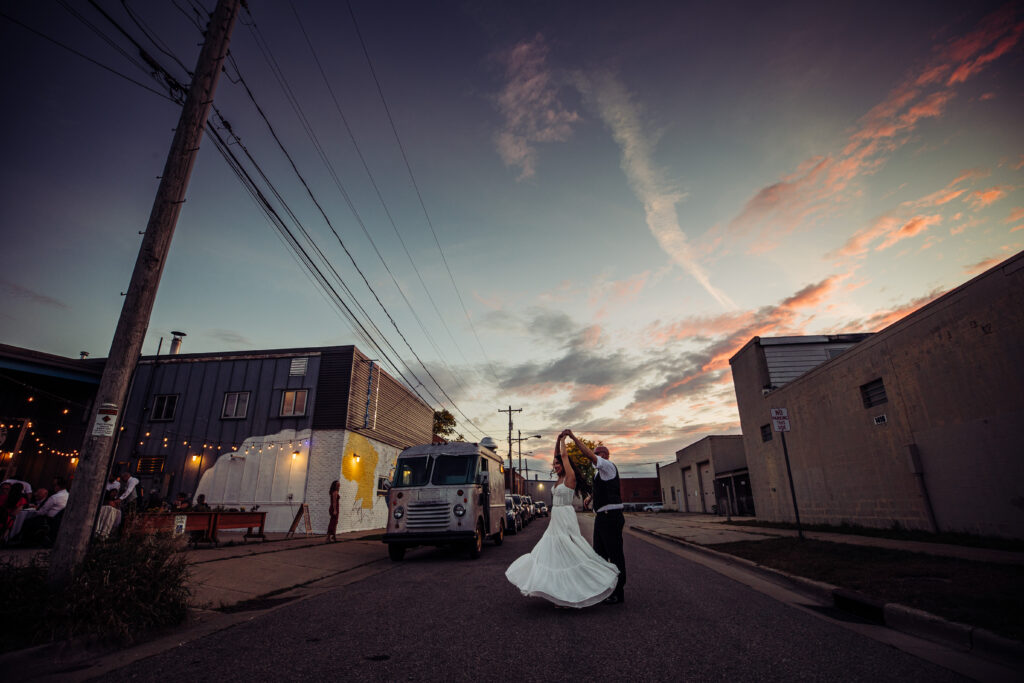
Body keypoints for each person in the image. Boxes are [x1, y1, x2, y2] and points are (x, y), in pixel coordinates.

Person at [505, 433, 618, 608]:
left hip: (565, 516)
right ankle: (559, 592)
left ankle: (580, 589)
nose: (556, 466)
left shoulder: (569, 477)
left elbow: (564, 456)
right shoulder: (558, 479)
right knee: (554, 554)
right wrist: (557, 441)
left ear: (565, 465)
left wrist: (565, 439)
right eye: (554, 464)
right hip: (555, 518)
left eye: (558, 464)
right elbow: (558, 455)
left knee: (569, 552)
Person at [565, 429, 626, 604]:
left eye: (597, 453)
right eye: (596, 453)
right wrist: (591, 497)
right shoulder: (600, 473)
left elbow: (590, 455)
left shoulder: (607, 465)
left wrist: (574, 438)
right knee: (598, 554)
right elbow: (601, 488)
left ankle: (618, 591)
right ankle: (603, 588)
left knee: (615, 554)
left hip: (611, 516)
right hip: (601, 517)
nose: (594, 456)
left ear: (605, 455)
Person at [19, 477, 68, 546]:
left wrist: (34, 510)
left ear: (58, 486)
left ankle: (23, 542)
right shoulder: (68, 496)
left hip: (48, 521)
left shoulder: (55, 497)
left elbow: (41, 512)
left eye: (53, 485)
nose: (53, 487)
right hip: (57, 521)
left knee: (27, 521)